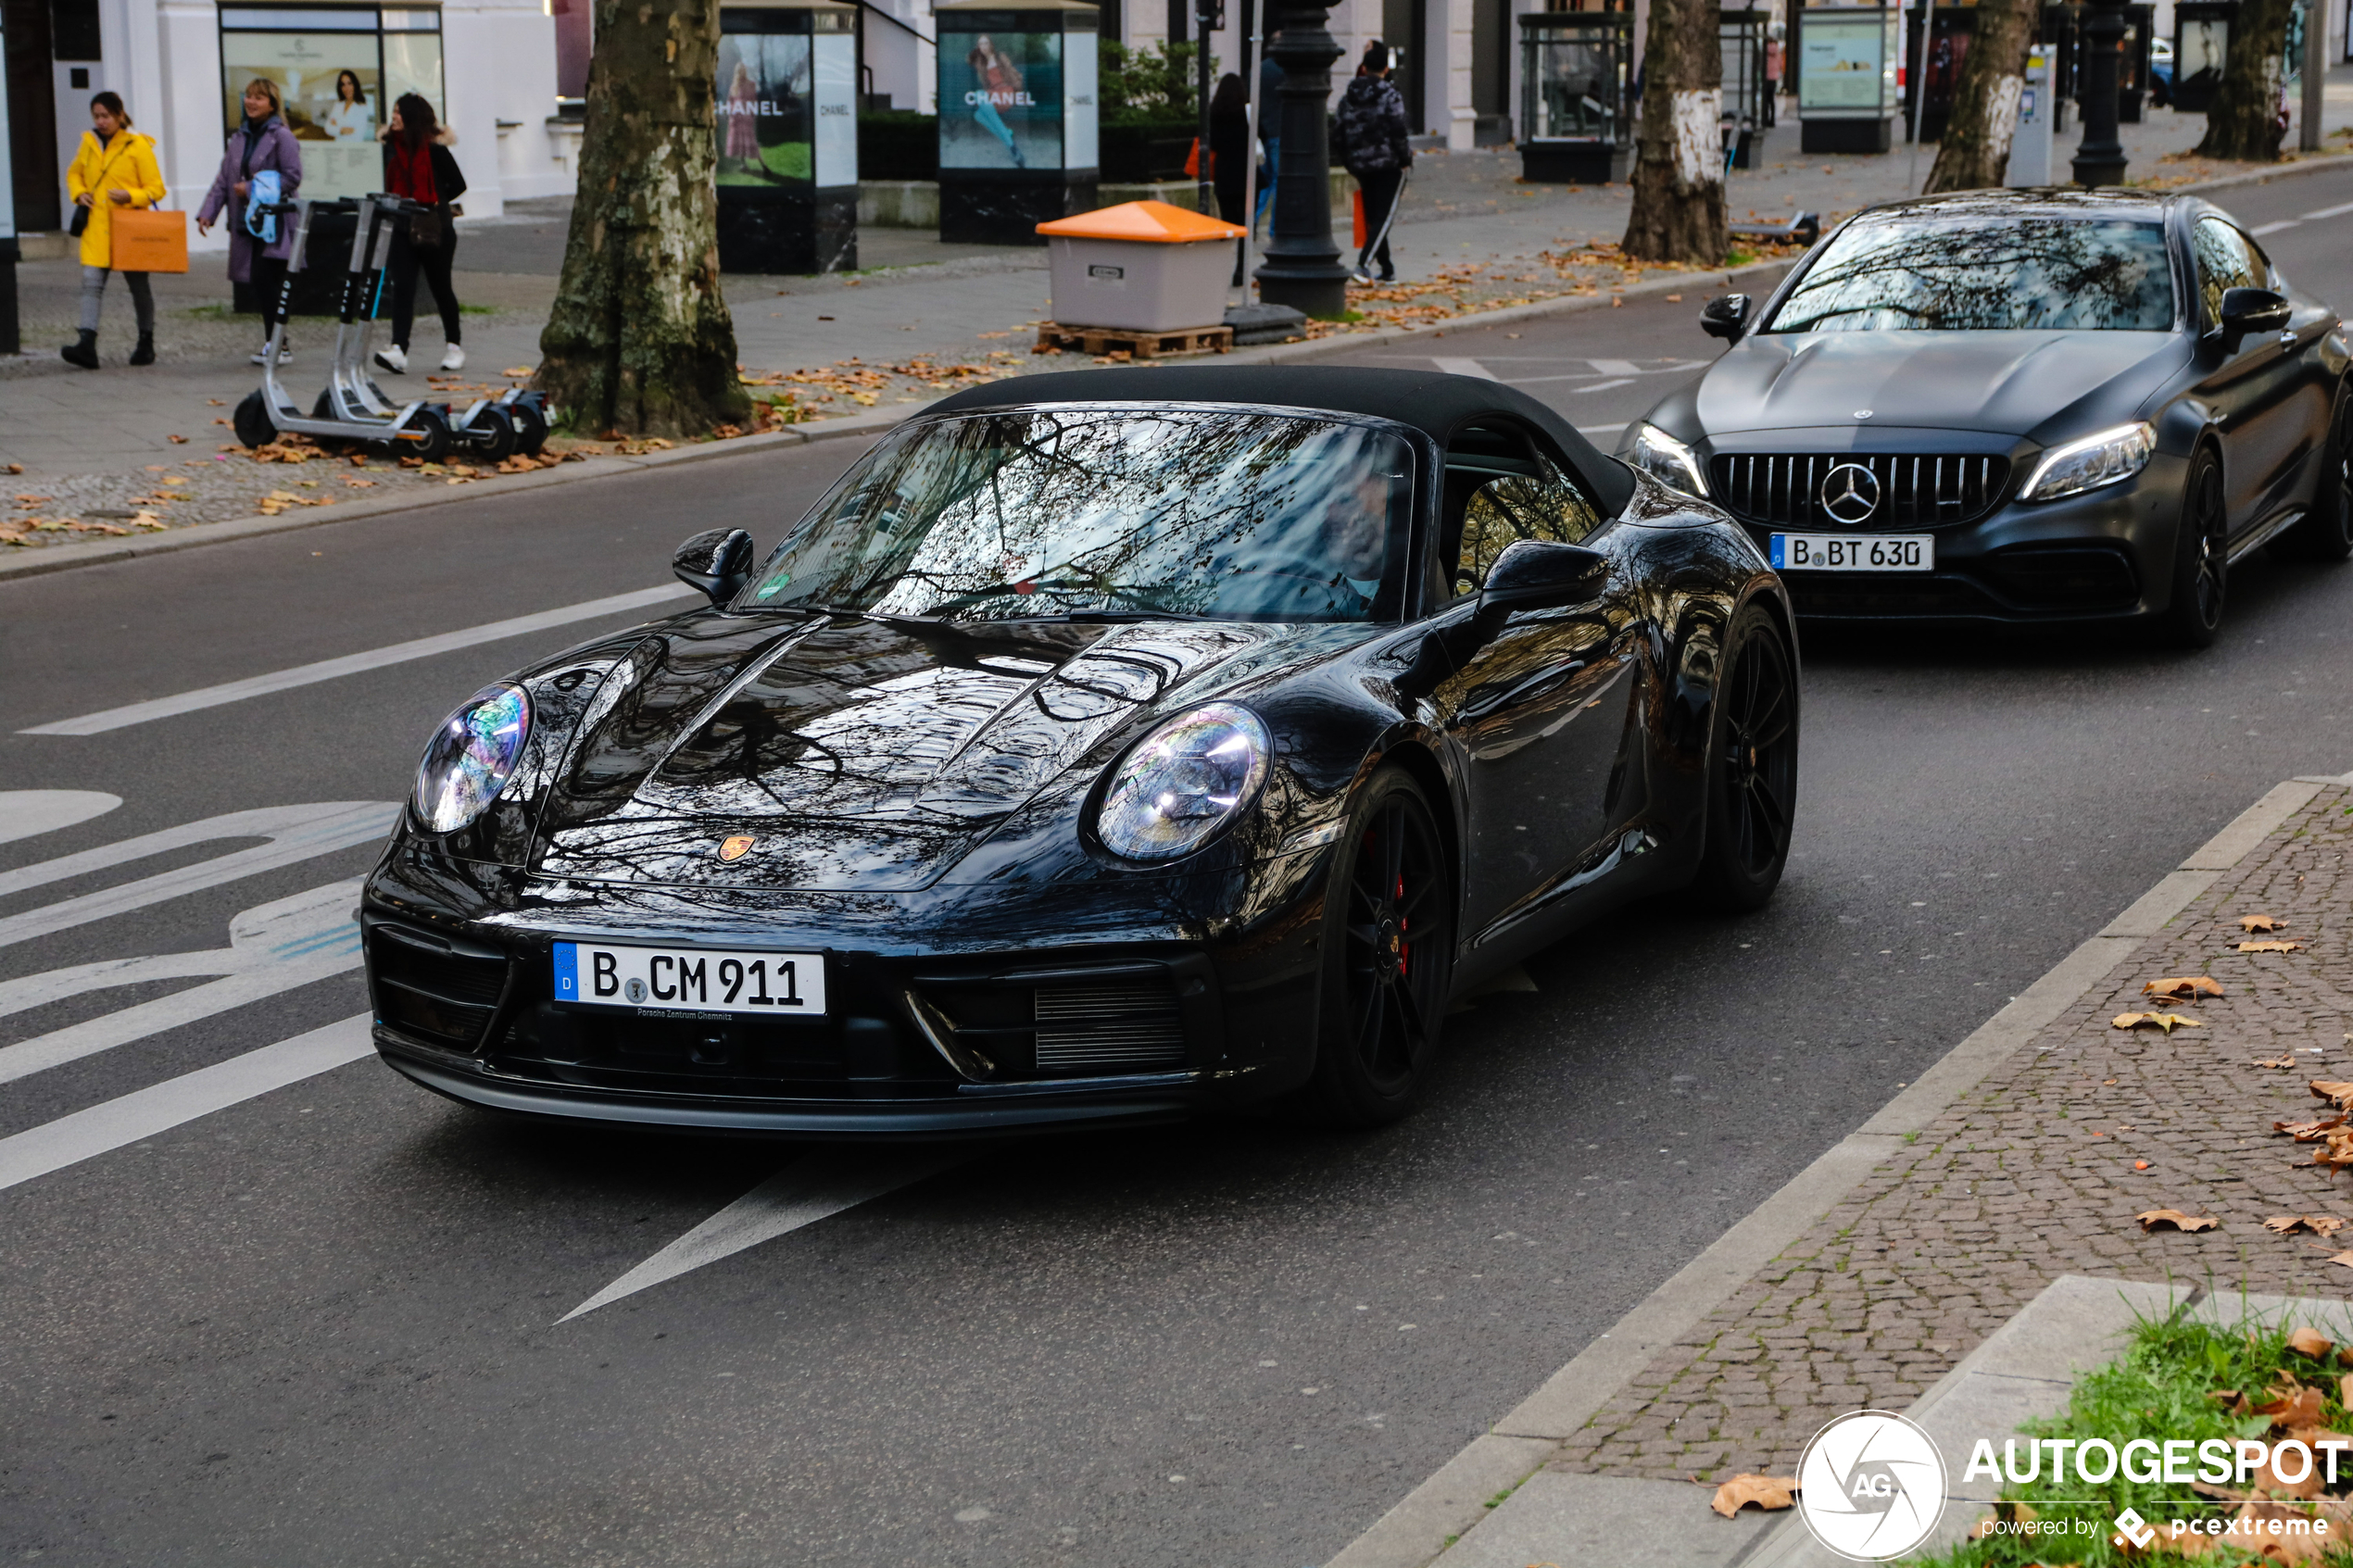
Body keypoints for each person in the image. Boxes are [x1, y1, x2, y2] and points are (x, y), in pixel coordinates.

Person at [196, 78, 304, 367]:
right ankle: (277, 342)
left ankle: (279, 343)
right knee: (261, 281)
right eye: (249, 96)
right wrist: (208, 212)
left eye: (259, 97)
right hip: (247, 221)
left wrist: (253, 188)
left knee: (264, 278)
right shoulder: (239, 138)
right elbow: (224, 180)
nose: (251, 102)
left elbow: (292, 177)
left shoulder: (282, 137)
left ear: (272, 104)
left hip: (275, 221)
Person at [59, 91, 166, 370]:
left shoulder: (137, 145)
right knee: (91, 284)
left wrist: (130, 196)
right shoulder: (89, 143)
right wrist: (79, 193)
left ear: (120, 115)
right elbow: (74, 173)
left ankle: (146, 342)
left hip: (129, 229)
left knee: (139, 287)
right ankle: (86, 343)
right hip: (97, 227)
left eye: (106, 116)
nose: (101, 121)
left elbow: (156, 189)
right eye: (97, 116)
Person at [374, 94, 468, 373]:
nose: (394, 116)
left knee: (441, 288)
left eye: (399, 112)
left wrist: (433, 200)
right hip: (402, 224)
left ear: (413, 116)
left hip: (433, 227)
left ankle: (454, 346)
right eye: (393, 111)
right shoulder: (391, 147)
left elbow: (458, 184)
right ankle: (398, 350)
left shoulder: (436, 150)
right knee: (402, 286)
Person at [1334, 41, 1412, 284]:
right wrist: (1405, 159)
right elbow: (1398, 128)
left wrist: (1349, 160)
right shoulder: (1390, 94)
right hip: (1387, 162)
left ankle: (1387, 268)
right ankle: (1363, 264)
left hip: (1360, 163)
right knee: (1384, 216)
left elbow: (1338, 131)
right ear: (1385, 69)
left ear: (1364, 67)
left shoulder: (1348, 97)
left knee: (1373, 216)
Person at [1208, 72, 1253, 285]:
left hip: (1225, 171)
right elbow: (1258, 135)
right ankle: (1242, 269)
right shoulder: (1247, 112)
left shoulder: (1214, 113)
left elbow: (1213, 143)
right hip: (1246, 172)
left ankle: (1222, 266)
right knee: (1246, 222)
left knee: (1227, 223)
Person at [967, 35, 1026, 168]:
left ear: (991, 44)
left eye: (986, 43)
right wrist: (976, 54)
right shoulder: (981, 63)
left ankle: (1011, 144)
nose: (984, 46)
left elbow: (1012, 72)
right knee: (977, 115)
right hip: (993, 94)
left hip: (1005, 92)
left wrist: (1017, 89)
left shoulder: (1000, 57)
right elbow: (968, 60)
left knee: (979, 96)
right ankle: (1009, 138)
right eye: (981, 44)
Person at [724, 59, 761, 174]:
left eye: (743, 70)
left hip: (746, 117)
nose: (741, 73)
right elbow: (730, 102)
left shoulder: (751, 84)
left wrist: (751, 114)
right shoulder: (734, 86)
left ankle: (763, 166)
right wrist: (732, 114)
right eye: (739, 71)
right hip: (736, 117)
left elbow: (753, 101)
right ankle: (743, 164)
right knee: (739, 142)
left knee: (751, 142)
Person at [321, 69, 371, 141]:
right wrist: (341, 130)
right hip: (338, 149)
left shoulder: (362, 107)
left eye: (349, 83)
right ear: (340, 87)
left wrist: (336, 126)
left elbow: (358, 135)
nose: (346, 88)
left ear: (355, 85)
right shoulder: (338, 104)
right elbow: (327, 128)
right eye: (343, 84)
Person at [1761, 27, 1783, 129]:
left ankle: (1765, 119)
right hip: (1774, 77)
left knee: (1765, 100)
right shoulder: (1778, 52)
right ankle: (1772, 120)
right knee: (1771, 100)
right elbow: (1780, 64)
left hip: (1766, 77)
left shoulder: (1765, 51)